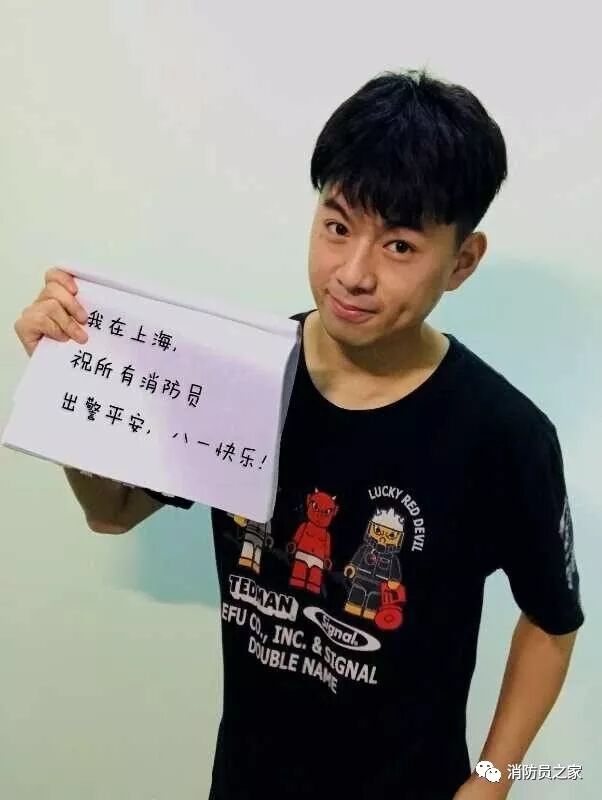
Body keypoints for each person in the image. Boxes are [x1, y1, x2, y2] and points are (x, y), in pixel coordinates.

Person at [14, 68, 584, 799]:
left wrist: (492, 783)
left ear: (462, 261)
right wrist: (68, 383)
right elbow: (111, 512)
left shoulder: (504, 435)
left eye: (399, 246)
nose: (353, 274)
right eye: (337, 227)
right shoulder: (240, 373)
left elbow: (552, 621)